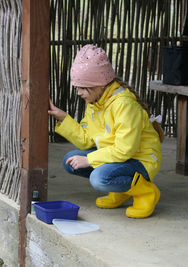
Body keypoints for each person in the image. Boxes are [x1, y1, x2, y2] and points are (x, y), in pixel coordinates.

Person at [48, 44, 163, 219]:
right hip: (119, 157)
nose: (79, 93)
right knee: (69, 161)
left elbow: (126, 150)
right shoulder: (95, 103)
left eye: (83, 88)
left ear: (99, 85)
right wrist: (64, 119)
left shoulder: (124, 105)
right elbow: (87, 140)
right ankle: (121, 191)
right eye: (77, 87)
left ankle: (146, 192)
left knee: (99, 179)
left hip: (141, 159)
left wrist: (89, 159)